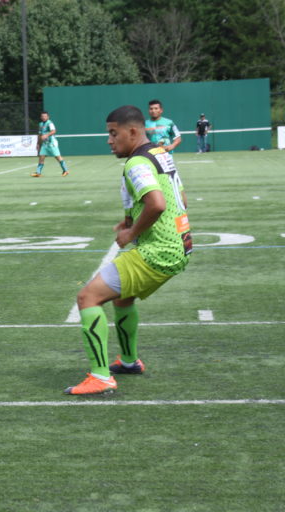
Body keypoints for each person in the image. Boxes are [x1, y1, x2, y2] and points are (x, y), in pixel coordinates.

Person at [64, 105, 192, 395]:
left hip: (159, 251)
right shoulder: (161, 154)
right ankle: (130, 361)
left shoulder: (135, 164)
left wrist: (131, 232)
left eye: (113, 133)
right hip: (180, 245)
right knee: (121, 298)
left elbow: (157, 203)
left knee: (88, 297)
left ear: (132, 131)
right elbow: (179, 197)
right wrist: (131, 217)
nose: (109, 140)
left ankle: (100, 377)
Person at [32, 111, 70, 177]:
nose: (44, 117)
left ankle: (66, 170)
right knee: (41, 156)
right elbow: (40, 134)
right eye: (43, 116)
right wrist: (38, 143)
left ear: (48, 117)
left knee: (57, 157)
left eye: (45, 116)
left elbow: (54, 131)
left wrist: (47, 135)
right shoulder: (40, 124)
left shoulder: (50, 123)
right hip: (45, 144)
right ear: (41, 117)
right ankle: (38, 173)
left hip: (52, 143)